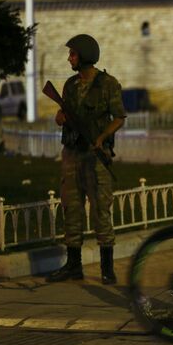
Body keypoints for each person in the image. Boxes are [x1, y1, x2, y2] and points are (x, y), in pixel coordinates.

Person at [45, 34, 126, 285]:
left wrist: (102, 137)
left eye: (73, 54)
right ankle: (73, 265)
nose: (69, 58)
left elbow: (119, 117)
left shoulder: (108, 84)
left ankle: (106, 268)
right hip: (72, 154)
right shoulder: (70, 85)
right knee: (72, 207)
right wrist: (60, 117)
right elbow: (64, 113)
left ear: (85, 56)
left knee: (102, 209)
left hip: (96, 157)